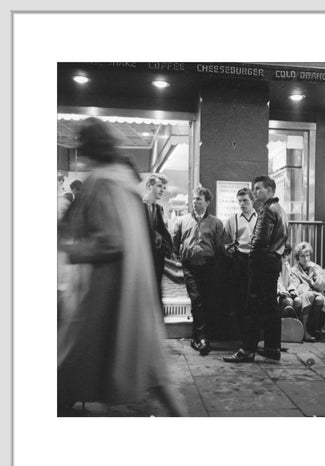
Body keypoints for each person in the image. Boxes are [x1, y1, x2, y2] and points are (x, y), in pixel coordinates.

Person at [57, 117, 185, 416]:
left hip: (105, 294)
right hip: (132, 291)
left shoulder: (102, 183)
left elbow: (111, 241)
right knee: (154, 372)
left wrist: (71, 249)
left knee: (76, 363)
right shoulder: (123, 182)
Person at [224, 175, 288, 363]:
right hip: (274, 261)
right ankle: (272, 347)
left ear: (269, 190)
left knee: (253, 306)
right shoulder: (280, 210)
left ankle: (247, 350)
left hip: (262, 263)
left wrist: (253, 258)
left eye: (259, 188)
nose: (256, 191)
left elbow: (260, 240)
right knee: (270, 306)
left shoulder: (267, 210)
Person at [172, 186, 225, 356]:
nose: (195, 202)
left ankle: (199, 336)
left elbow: (219, 246)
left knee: (206, 300)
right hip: (190, 266)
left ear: (207, 202)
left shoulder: (216, 223)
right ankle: (201, 337)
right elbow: (175, 241)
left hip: (209, 266)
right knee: (196, 299)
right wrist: (177, 256)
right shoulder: (182, 221)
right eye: (194, 199)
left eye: (199, 199)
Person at [224, 187, 257, 340]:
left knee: (254, 298)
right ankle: (243, 335)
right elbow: (226, 242)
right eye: (240, 201)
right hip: (239, 261)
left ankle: (255, 336)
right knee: (240, 298)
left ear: (252, 201)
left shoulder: (260, 218)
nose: (242, 204)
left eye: (245, 201)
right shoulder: (233, 219)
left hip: (256, 261)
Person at [143, 173, 173, 313]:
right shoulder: (137, 206)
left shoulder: (159, 208)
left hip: (156, 259)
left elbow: (162, 230)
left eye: (164, 187)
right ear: (149, 186)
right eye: (159, 186)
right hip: (141, 259)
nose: (162, 190)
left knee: (155, 292)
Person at [289, 241, 325, 341]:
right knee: (309, 297)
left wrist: (315, 278)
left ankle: (315, 328)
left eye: (307, 255)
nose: (306, 259)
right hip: (303, 294)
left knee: (320, 299)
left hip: (316, 293)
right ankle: (304, 331)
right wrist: (309, 288)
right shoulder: (294, 270)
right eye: (302, 256)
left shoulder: (316, 267)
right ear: (298, 257)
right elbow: (296, 286)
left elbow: (323, 286)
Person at [277, 243, 298, 319]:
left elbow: (290, 282)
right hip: (276, 296)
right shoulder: (271, 265)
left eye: (286, 255)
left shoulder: (286, 266)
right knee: (288, 302)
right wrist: (279, 292)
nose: (284, 258)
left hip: (286, 295)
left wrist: (292, 290)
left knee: (296, 301)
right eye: (282, 255)